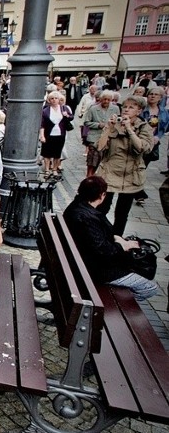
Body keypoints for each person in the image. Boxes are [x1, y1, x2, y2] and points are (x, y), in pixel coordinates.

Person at [64, 176, 159, 301]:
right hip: (96, 270)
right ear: (102, 195)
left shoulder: (75, 207)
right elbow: (103, 250)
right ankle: (112, 307)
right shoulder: (88, 217)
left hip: (82, 262)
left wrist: (117, 238)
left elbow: (92, 238)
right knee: (150, 288)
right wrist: (123, 246)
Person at [95, 95, 154, 236]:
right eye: (125, 107)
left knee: (122, 213)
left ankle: (117, 239)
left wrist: (129, 129)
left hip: (131, 175)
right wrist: (108, 129)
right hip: (109, 172)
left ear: (139, 111)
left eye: (131, 107)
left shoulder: (144, 127)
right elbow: (100, 147)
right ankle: (99, 234)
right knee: (101, 208)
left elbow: (143, 148)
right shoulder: (113, 124)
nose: (126, 110)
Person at [39, 91, 73, 177]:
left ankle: (54, 169)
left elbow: (71, 117)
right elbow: (42, 124)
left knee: (57, 153)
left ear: (59, 99)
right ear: (49, 100)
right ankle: (47, 169)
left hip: (60, 134)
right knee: (47, 153)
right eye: (52, 98)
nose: (54, 100)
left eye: (56, 98)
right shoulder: (45, 111)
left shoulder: (64, 108)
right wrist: (42, 136)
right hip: (49, 134)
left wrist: (67, 116)